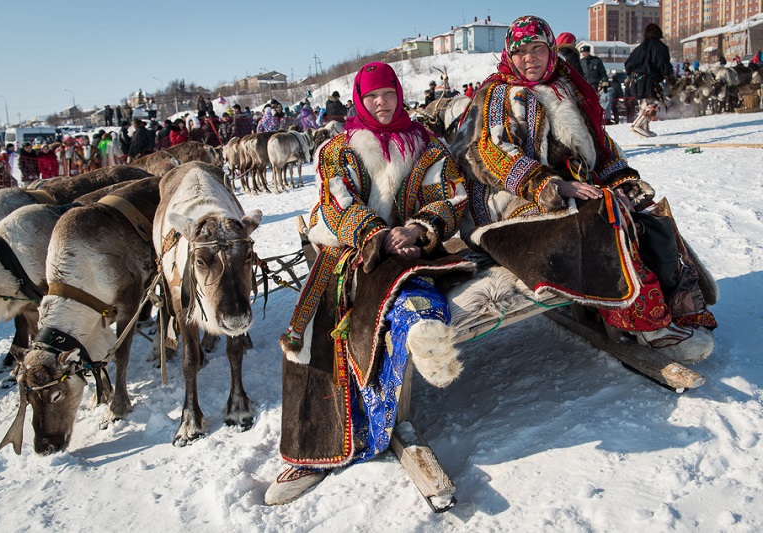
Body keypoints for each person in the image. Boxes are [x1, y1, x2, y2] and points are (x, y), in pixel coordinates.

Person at [451, 15, 716, 367]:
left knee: (641, 210)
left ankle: (679, 306)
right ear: (509, 56)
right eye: (520, 52)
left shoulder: (568, 89)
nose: (529, 58)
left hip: (572, 188)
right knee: (600, 218)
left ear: (550, 51)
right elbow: (484, 153)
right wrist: (550, 185)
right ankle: (647, 325)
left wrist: (622, 182)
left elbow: (599, 145)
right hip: (506, 203)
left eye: (537, 49)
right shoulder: (498, 94)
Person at [265, 61, 469, 506]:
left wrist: (416, 230)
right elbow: (337, 203)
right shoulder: (338, 149)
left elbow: (452, 194)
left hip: (415, 243)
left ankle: (417, 336)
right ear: (360, 98)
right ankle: (314, 445)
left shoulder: (427, 145)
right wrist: (379, 234)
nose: (381, 103)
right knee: (318, 322)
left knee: (408, 282)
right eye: (373, 96)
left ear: (399, 95)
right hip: (353, 245)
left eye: (389, 94)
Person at [625, 23, 673, 137]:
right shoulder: (659, 46)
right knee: (653, 103)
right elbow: (661, 63)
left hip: (636, 81)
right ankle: (637, 125)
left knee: (645, 104)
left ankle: (645, 127)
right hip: (650, 80)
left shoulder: (639, 48)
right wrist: (669, 74)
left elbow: (628, 64)